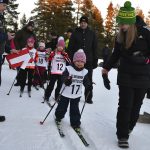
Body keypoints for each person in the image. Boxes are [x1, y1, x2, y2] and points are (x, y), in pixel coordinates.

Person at [102, 1, 150, 148]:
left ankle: (129, 127)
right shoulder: (120, 36)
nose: (120, 26)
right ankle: (122, 135)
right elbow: (116, 53)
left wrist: (146, 59)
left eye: (122, 23)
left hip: (143, 75)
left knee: (136, 106)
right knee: (125, 105)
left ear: (130, 22)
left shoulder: (146, 32)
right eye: (119, 23)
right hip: (126, 74)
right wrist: (106, 68)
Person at [55, 49, 92, 129]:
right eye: (77, 61)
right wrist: (67, 80)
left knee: (75, 109)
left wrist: (89, 86)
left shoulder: (85, 72)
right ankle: (58, 116)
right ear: (74, 61)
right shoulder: (69, 69)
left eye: (82, 62)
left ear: (84, 63)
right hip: (65, 93)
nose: (79, 63)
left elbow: (86, 81)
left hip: (76, 94)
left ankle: (75, 122)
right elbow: (63, 77)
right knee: (62, 106)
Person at [68, 16, 98, 104]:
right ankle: (72, 94)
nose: (83, 24)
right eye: (81, 22)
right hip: (76, 61)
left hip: (88, 60)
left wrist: (95, 60)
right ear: (80, 23)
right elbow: (70, 47)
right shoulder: (75, 33)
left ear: (87, 23)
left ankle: (88, 97)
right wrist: (70, 58)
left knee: (88, 79)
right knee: (74, 77)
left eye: (85, 22)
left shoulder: (92, 33)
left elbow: (95, 47)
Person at [44, 38, 70, 103]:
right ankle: (47, 95)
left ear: (63, 47)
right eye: (59, 46)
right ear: (57, 46)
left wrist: (65, 56)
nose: (60, 48)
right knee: (51, 85)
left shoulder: (65, 54)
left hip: (61, 73)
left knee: (59, 86)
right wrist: (50, 55)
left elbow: (69, 62)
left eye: (62, 47)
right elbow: (48, 59)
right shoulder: (53, 53)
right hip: (54, 72)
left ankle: (57, 96)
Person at [14, 21, 37, 86]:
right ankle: (19, 80)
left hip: (30, 52)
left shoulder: (33, 34)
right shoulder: (21, 32)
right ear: (27, 26)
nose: (31, 28)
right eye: (30, 26)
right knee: (20, 66)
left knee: (27, 67)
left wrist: (36, 50)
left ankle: (25, 80)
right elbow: (15, 40)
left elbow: (36, 42)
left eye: (32, 27)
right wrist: (18, 48)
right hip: (21, 51)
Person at [0, 0, 13, 122]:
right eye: (3, 5)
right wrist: (6, 36)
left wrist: (10, 50)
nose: (5, 7)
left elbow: (2, 40)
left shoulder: (2, 18)